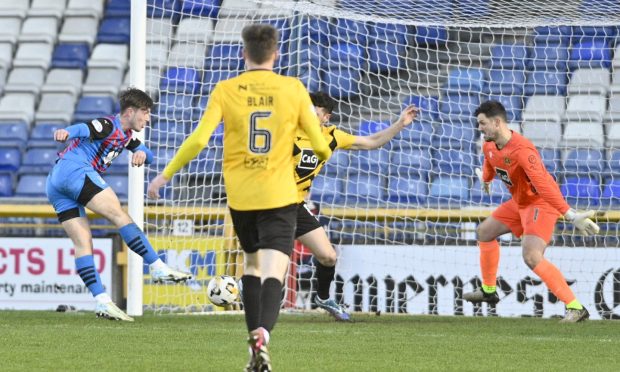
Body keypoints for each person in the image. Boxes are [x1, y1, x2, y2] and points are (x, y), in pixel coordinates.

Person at [146, 24, 331, 372]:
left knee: (251, 266)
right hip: (280, 194)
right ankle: (263, 334)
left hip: (241, 197)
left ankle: (253, 350)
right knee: (276, 268)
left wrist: (165, 174)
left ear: (243, 54)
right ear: (276, 54)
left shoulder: (226, 89)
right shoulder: (292, 88)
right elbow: (320, 146)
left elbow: (199, 140)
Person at [46, 88, 192, 322]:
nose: (148, 118)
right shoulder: (107, 125)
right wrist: (67, 131)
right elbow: (85, 128)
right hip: (74, 171)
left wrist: (142, 153)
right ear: (130, 112)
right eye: (145, 112)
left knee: (83, 243)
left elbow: (146, 152)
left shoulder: (125, 135)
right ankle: (157, 266)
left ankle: (102, 301)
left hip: (55, 182)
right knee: (119, 216)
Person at [464, 100, 599, 323]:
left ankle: (576, 307)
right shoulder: (489, 145)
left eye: (482, 123)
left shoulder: (523, 150)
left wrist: (569, 214)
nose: (479, 128)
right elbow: (490, 163)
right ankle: (489, 291)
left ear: (497, 122)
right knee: (483, 232)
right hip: (519, 203)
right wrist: (485, 180)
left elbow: (544, 184)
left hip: (539, 203)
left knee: (531, 256)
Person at [293, 92, 419, 321]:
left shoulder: (331, 136)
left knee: (328, 257)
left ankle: (322, 297)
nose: (308, 113)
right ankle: (247, 290)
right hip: (272, 202)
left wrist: (399, 124)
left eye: (314, 110)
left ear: (325, 117)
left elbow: (370, 141)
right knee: (272, 257)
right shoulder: (288, 130)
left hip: (295, 206)